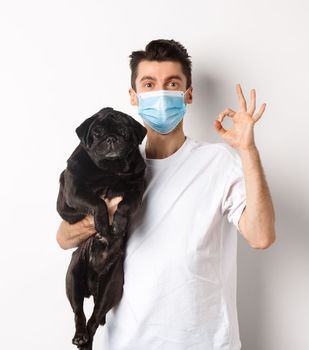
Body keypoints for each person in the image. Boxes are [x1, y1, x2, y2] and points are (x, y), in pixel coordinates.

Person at [55, 39, 276, 349]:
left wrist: (248, 151)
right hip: (128, 343)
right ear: (134, 97)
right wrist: (102, 214)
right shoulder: (112, 167)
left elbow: (261, 236)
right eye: (149, 84)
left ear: (188, 94)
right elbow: (64, 238)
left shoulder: (217, 162)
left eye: (172, 84)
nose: (160, 93)